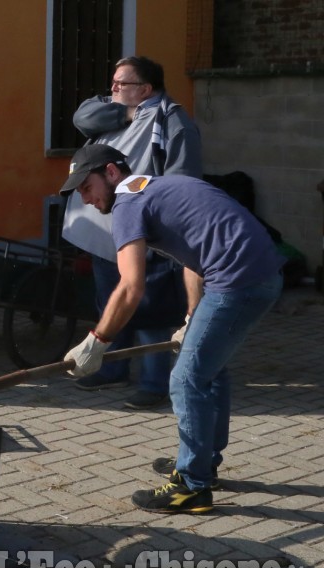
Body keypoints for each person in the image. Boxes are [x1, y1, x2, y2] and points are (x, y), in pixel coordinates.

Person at [60, 144, 284, 514]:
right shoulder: (159, 189)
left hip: (239, 280)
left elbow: (132, 286)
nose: (85, 199)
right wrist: (193, 317)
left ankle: (192, 486)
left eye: (86, 187)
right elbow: (194, 258)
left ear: (112, 173)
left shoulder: (129, 204)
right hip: (257, 275)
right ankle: (203, 463)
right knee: (209, 369)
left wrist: (96, 342)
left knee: (185, 379)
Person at [62, 56, 202, 409]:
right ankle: (113, 369)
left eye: (120, 85)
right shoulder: (114, 111)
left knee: (151, 308)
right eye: (112, 83)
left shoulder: (174, 122)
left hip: (146, 232)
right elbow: (82, 116)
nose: (112, 91)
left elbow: (182, 182)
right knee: (111, 301)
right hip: (104, 230)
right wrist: (125, 112)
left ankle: (155, 383)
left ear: (146, 89)